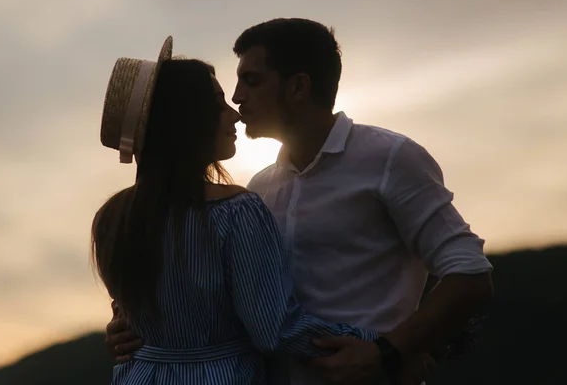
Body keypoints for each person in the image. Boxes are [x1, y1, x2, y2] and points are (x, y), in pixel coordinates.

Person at [107, 19, 494, 384]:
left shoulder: (391, 158)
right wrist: (137, 324)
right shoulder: (257, 189)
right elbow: (235, 305)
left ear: (298, 87)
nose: (238, 99)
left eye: (251, 81)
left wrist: (389, 351)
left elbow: (469, 273)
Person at [93, 36, 379, 385]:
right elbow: (275, 329)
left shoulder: (111, 218)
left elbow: (130, 318)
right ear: (186, 119)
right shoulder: (236, 211)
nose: (233, 113)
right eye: (217, 103)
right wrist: (380, 346)